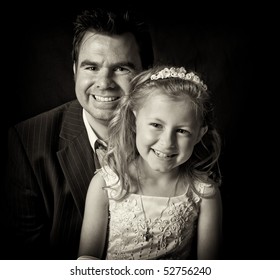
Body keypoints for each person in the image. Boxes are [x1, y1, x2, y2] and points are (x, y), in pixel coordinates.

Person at [3, 8, 154, 260]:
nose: (104, 82)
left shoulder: (177, 137)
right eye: (91, 67)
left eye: (121, 69)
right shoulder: (26, 142)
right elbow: (23, 263)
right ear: (75, 70)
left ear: (145, 75)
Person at [78, 65, 223, 260]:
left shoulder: (204, 193)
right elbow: (87, 260)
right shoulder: (106, 184)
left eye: (182, 131)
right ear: (135, 119)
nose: (167, 143)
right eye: (156, 125)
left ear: (199, 134)